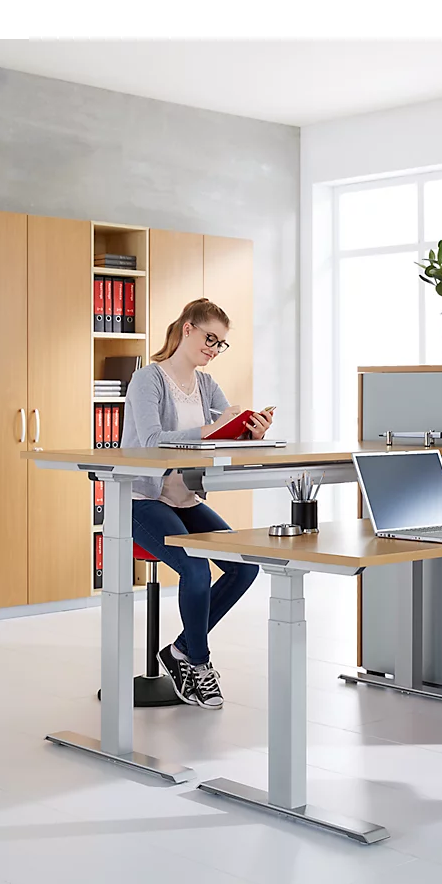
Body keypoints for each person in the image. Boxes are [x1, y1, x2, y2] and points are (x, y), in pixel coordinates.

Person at [121, 298, 274, 708]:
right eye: (211, 338)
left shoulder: (206, 386)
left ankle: (181, 651)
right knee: (195, 567)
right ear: (187, 329)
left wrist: (249, 433)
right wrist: (211, 427)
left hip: (184, 499)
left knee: (245, 567)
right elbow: (152, 442)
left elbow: (223, 432)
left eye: (221, 344)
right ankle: (199, 665)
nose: (214, 348)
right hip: (140, 499)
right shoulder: (148, 380)